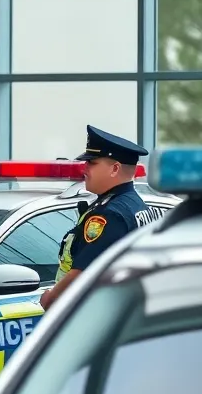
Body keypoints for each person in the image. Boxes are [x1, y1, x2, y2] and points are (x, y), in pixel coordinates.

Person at [39, 125, 153, 312]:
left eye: (92, 162)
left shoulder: (110, 214)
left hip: (98, 313)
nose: (85, 168)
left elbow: (82, 272)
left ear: (115, 169)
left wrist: (51, 298)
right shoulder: (134, 205)